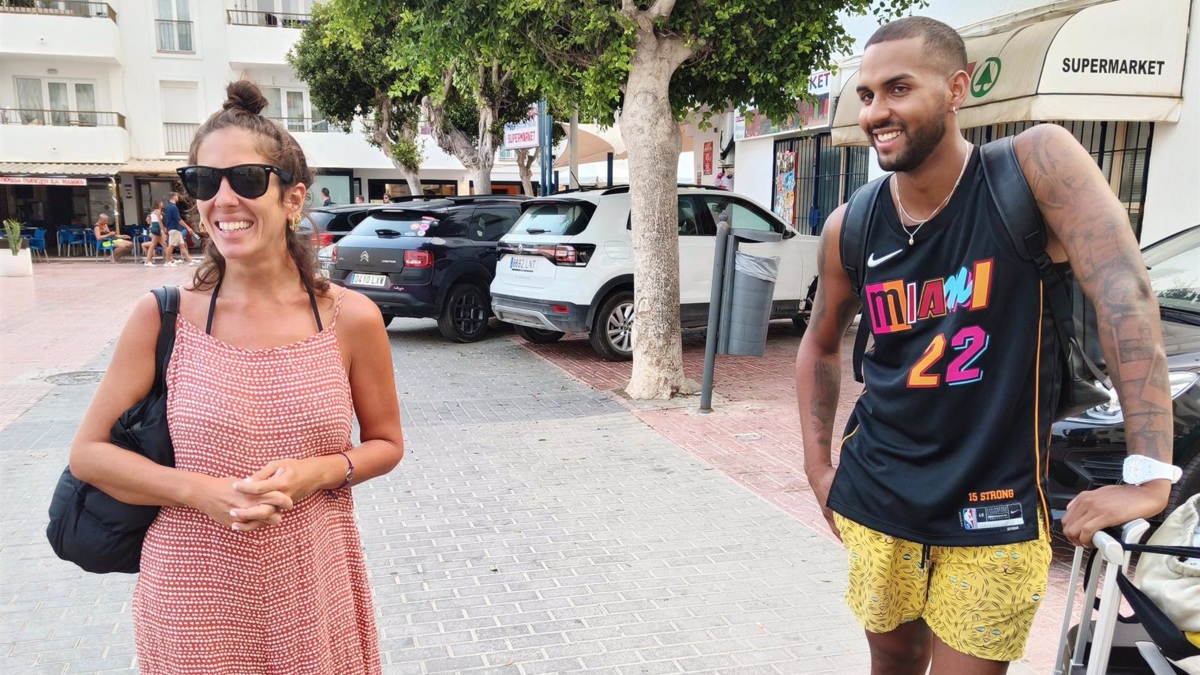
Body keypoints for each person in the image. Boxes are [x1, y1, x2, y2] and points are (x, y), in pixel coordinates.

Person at [794, 16, 1174, 675]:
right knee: (892, 658)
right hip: (879, 491)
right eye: (867, 95)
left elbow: (1124, 293)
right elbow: (820, 346)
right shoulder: (851, 223)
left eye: (899, 88)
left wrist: (1148, 472)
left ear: (957, 88)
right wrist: (818, 468)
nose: (876, 111)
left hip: (995, 505)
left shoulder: (1032, 168)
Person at [68, 80, 404, 674]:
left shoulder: (350, 318)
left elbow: (386, 443)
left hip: (312, 587)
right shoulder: (162, 316)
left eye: (246, 179)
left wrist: (317, 473)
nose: (223, 199)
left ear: (293, 198)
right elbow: (89, 455)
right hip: (192, 596)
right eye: (204, 181)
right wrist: (201, 492)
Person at [161, 193, 198, 266]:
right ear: (173, 197)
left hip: (173, 228)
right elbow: (178, 219)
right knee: (171, 245)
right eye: (176, 196)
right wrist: (188, 227)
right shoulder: (173, 207)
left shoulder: (168, 207)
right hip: (174, 228)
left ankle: (189, 260)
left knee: (182, 245)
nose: (177, 197)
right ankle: (167, 262)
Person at [142, 201, 164, 265]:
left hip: (154, 228)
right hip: (157, 228)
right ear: (158, 204)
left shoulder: (153, 212)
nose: (162, 204)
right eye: (161, 203)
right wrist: (163, 229)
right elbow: (159, 221)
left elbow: (152, 221)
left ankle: (170, 259)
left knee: (164, 245)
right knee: (153, 245)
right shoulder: (158, 211)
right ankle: (148, 260)